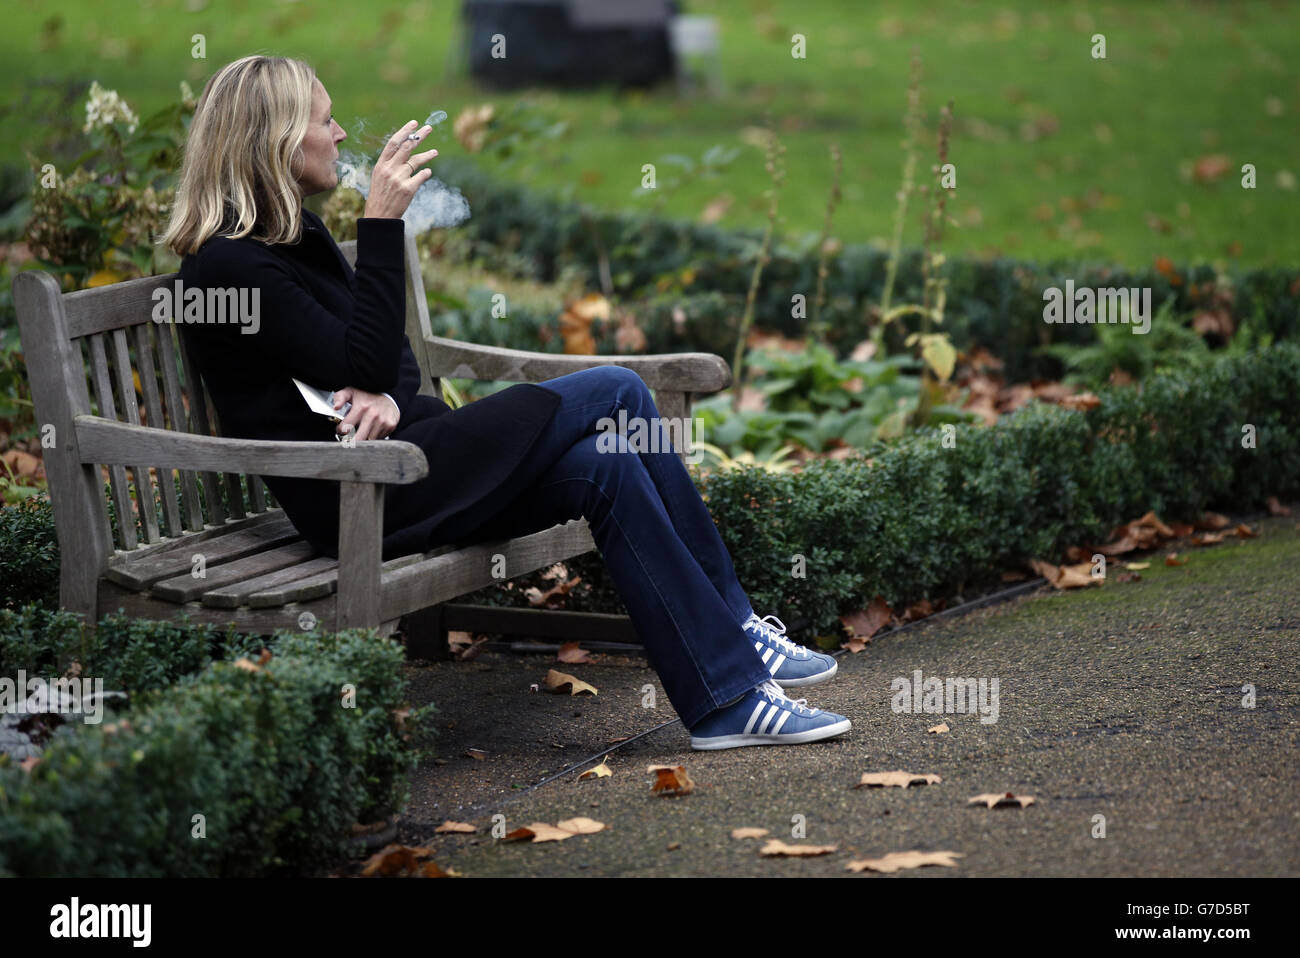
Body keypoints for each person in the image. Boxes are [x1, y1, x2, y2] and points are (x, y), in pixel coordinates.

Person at [158, 55, 851, 751]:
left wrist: (391, 400)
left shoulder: (296, 239)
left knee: (602, 463)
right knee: (616, 390)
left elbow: (388, 362)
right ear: (275, 138)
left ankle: (724, 701)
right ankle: (736, 630)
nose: (339, 134)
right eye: (323, 119)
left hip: (413, 455)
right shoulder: (228, 267)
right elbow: (361, 360)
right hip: (360, 496)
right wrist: (381, 227)